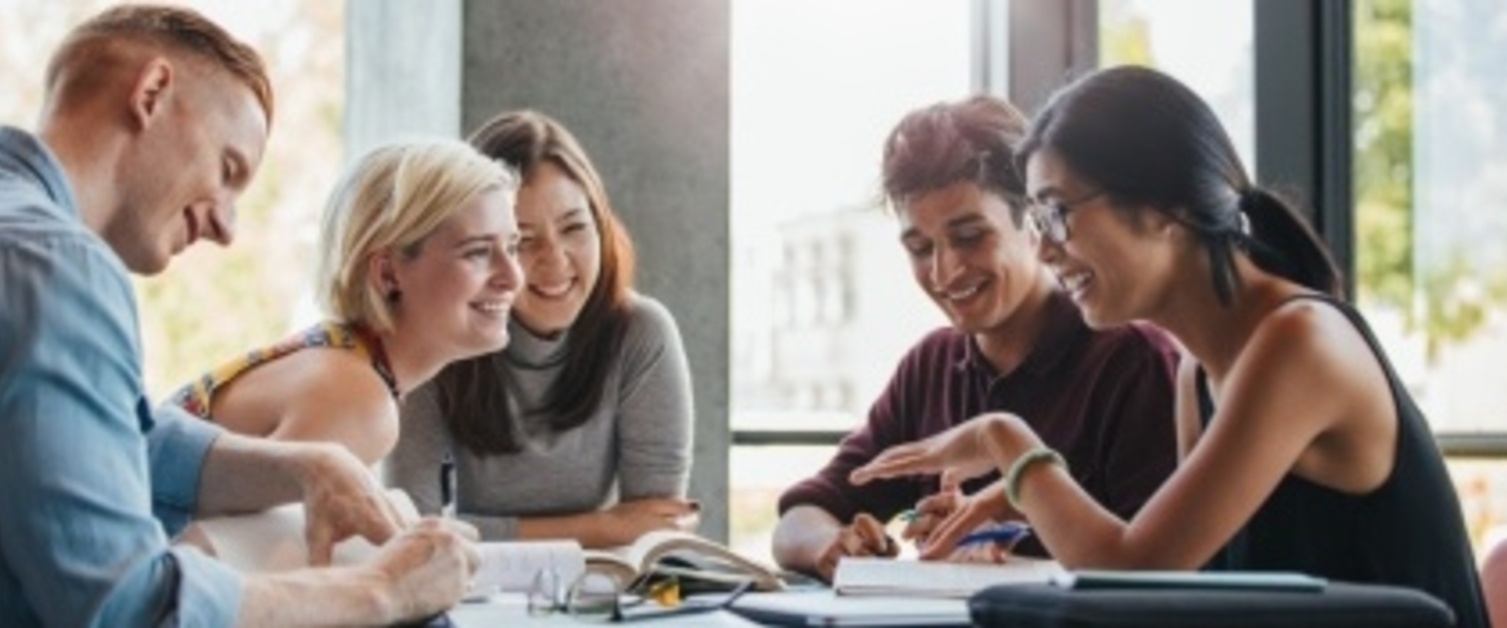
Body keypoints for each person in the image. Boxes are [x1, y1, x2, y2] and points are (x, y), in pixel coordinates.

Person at [851, 66, 1488, 627]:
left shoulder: (1299, 343)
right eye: (1039, 222)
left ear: (1161, 207)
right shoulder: (1198, 371)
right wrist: (1024, 499)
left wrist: (1006, 442)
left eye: (1058, 213)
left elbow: (1133, 571)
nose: (1045, 249)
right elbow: (1177, 590)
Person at [0, 5, 477, 625]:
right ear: (152, 92)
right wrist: (383, 589)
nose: (226, 227)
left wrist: (308, 463)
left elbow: (104, 440)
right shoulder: (59, 266)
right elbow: (126, 609)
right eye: (228, 170)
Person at [771, 95, 1181, 582]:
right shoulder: (931, 366)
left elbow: (1157, 573)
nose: (944, 272)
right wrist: (831, 547)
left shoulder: (1133, 360)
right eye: (920, 249)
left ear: (1034, 222)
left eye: (969, 237)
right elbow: (801, 516)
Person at [385, 109, 697, 548]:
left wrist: (489, 531)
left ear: (601, 226)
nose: (555, 260)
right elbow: (413, 531)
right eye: (523, 240)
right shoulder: (434, 337)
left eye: (574, 228)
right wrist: (602, 527)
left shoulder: (641, 334)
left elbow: (654, 529)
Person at [167, 139, 523, 466]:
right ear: (387, 274)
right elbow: (210, 535)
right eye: (477, 252)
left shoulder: (346, 363)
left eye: (512, 248)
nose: (513, 277)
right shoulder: (357, 400)